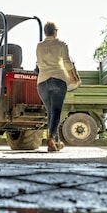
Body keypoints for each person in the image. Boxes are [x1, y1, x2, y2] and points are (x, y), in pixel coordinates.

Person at [36, 21, 78, 152]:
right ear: (56, 31)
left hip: (42, 82)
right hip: (58, 79)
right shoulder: (61, 45)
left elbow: (38, 63)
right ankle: (52, 137)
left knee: (51, 113)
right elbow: (66, 62)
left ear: (45, 32)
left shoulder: (39, 46)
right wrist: (72, 76)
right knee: (56, 111)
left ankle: (56, 143)